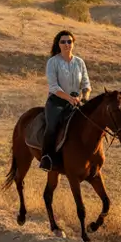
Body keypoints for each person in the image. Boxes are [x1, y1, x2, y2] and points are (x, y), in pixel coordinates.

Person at [39, 30, 91, 171]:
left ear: (73, 44)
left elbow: (86, 85)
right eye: (63, 41)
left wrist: (84, 98)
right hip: (56, 102)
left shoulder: (80, 62)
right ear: (58, 44)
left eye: (69, 41)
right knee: (51, 127)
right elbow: (54, 86)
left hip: (76, 102)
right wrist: (69, 98)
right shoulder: (53, 62)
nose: (67, 44)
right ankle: (46, 158)